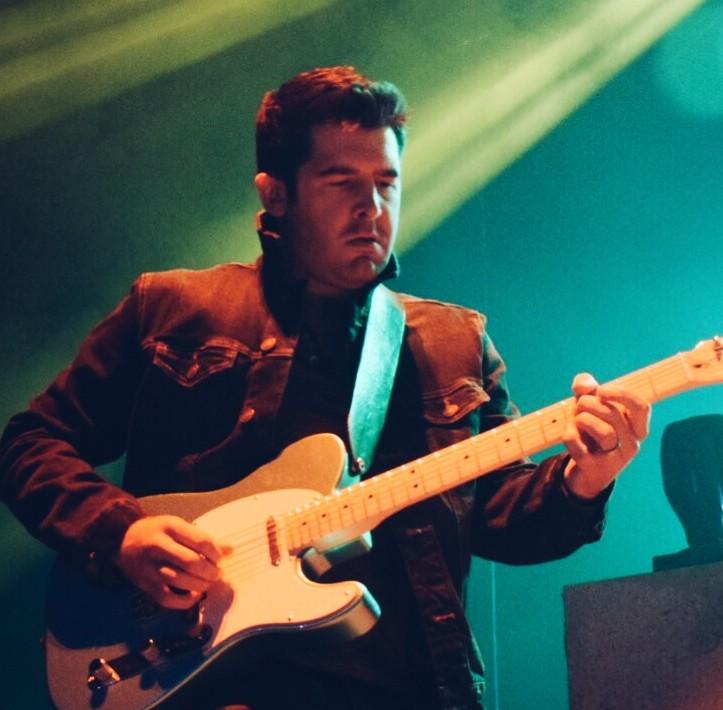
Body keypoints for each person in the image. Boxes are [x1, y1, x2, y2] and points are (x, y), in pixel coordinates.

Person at [0, 66, 650, 709]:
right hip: (205, 682)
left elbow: (504, 520)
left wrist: (586, 478)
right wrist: (120, 535)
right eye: (342, 183)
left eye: (386, 183)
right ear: (275, 193)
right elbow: (29, 443)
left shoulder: (455, 341)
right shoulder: (173, 309)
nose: (371, 208)